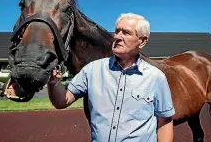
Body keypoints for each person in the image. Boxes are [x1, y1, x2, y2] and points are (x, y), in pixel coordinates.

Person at [48, 12, 175, 142]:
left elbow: (164, 121)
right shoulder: (92, 70)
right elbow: (62, 101)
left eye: (126, 33)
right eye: (117, 31)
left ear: (142, 41)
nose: (117, 37)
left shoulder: (155, 77)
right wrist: (54, 84)